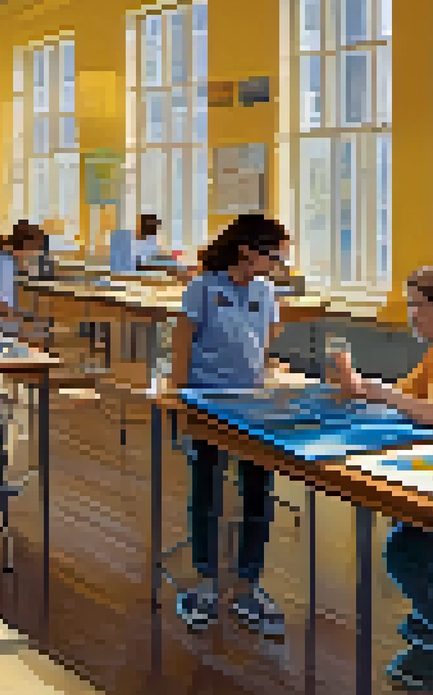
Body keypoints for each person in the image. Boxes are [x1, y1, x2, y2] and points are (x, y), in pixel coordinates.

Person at [329, 266, 433, 691]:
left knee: (407, 551)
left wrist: (381, 392)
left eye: (418, 305)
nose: (411, 314)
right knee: (408, 548)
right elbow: (405, 399)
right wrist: (356, 385)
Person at [171, 213, 292, 638]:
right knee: (207, 488)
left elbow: (267, 335)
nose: (278, 263)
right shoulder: (203, 288)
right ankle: (206, 581)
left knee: (258, 490)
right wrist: (180, 400)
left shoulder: (265, 291)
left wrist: (259, 367)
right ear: (247, 251)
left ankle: (248, 584)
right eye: (274, 255)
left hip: (253, 407)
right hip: (207, 404)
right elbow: (182, 345)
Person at [0, 222, 47, 334]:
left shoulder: (1, 260)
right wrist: (26, 321)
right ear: (27, 249)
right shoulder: (4, 265)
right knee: (40, 331)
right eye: (35, 254)